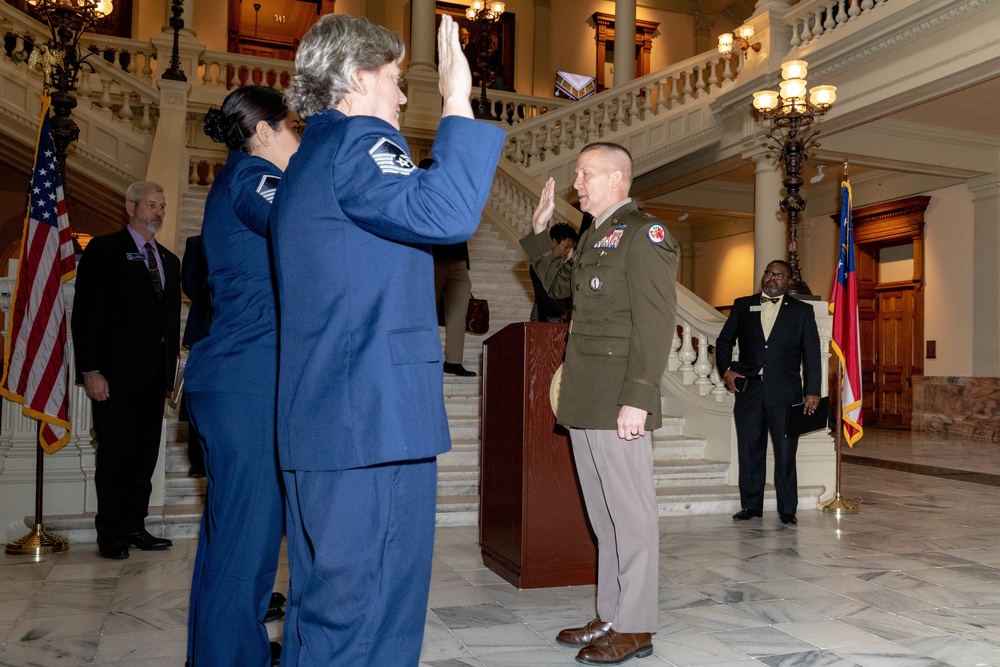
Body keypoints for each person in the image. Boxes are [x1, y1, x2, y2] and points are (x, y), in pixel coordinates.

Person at [269, 14, 505, 666]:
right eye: (396, 80)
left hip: (332, 425)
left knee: (322, 622)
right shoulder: (358, 140)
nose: (404, 98)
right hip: (371, 428)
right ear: (356, 78)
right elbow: (446, 212)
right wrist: (457, 100)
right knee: (374, 624)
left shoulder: (308, 158)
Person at [522, 143, 679, 666]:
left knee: (631, 516)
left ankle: (636, 626)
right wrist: (540, 232)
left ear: (617, 177)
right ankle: (611, 613)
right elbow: (560, 285)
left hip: (619, 399)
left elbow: (656, 324)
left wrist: (638, 398)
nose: (577, 184)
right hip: (587, 394)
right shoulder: (596, 234)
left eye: (585, 174)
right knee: (604, 516)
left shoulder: (645, 234)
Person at [183, 86, 300, 667]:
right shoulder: (254, 175)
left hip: (233, 376)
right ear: (263, 132)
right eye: (294, 131)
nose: (298, 143)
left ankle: (215, 655)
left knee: (228, 540)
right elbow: (298, 224)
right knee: (249, 546)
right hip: (249, 379)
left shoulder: (234, 176)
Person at [71, 180, 181, 561]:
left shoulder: (169, 260)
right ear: (130, 207)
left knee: (144, 456)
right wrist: (91, 370)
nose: (159, 212)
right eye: (152, 205)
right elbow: (86, 315)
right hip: (113, 379)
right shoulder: (104, 250)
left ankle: (136, 525)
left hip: (153, 380)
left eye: (162, 206)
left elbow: (170, 323)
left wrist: (170, 377)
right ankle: (111, 532)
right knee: (115, 455)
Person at [715, 260, 822, 525]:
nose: (772, 278)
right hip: (749, 390)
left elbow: (811, 354)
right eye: (768, 273)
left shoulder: (802, 311)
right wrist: (725, 369)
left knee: (786, 452)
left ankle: (788, 509)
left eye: (779, 275)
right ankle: (751, 506)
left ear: (789, 280)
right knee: (750, 450)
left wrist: (812, 391)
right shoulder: (743, 305)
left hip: (786, 393)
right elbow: (724, 340)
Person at [421, 157, 477, 377]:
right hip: (431, 261)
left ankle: (453, 361)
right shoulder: (419, 198)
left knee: (458, 313)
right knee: (427, 313)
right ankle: (425, 359)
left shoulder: (451, 195)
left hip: (458, 262)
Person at [179, 234, 210, 478]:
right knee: (199, 393)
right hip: (204, 329)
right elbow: (189, 283)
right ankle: (197, 461)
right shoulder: (196, 243)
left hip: (234, 329)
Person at [529, 222, 576, 322]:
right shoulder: (539, 264)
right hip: (544, 315)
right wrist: (563, 312)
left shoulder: (562, 265)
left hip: (560, 317)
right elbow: (545, 293)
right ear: (554, 241)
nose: (568, 251)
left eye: (570, 248)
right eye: (566, 246)